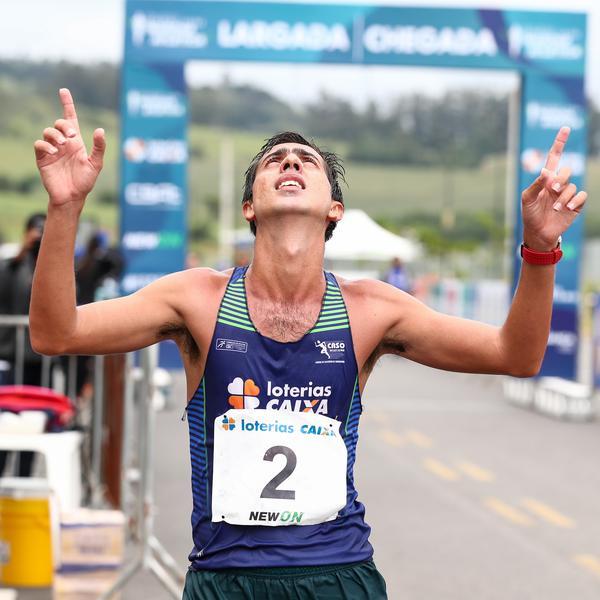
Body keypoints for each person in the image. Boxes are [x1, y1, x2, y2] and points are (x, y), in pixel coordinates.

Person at [30, 89, 586, 599]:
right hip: (226, 580)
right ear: (249, 206)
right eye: (274, 160)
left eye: (307, 161)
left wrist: (539, 249)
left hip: (339, 576)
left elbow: (516, 355)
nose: (290, 162)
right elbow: (56, 333)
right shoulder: (196, 300)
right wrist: (65, 208)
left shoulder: (373, 309)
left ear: (333, 210)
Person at [0, 212, 47, 476]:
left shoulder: (51, 269)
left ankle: (24, 478)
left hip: (38, 360)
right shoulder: (10, 268)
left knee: (32, 422)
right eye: (36, 231)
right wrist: (22, 253)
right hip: (9, 356)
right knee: (5, 423)